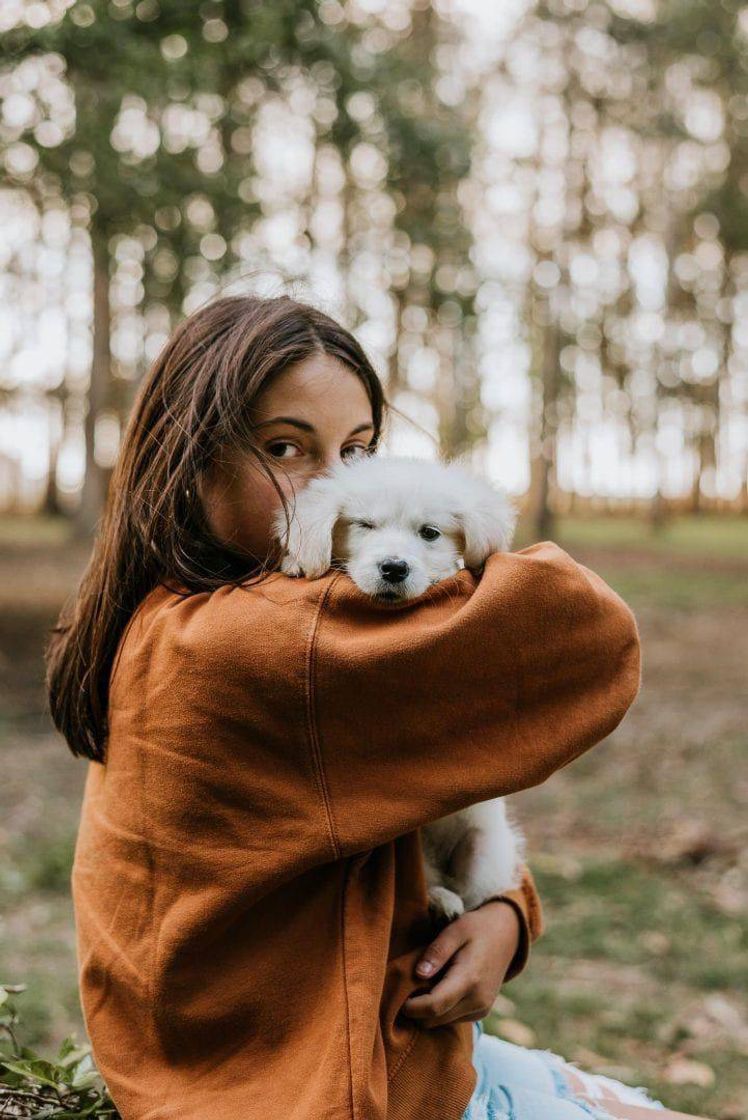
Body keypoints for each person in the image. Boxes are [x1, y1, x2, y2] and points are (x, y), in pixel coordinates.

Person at [46, 294, 710, 1120]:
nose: (338, 485)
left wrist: (504, 908)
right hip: (326, 1087)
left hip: (248, 1060)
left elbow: (417, 796)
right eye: (287, 447)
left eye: (358, 450)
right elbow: (585, 633)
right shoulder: (274, 644)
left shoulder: (163, 613)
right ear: (191, 461)